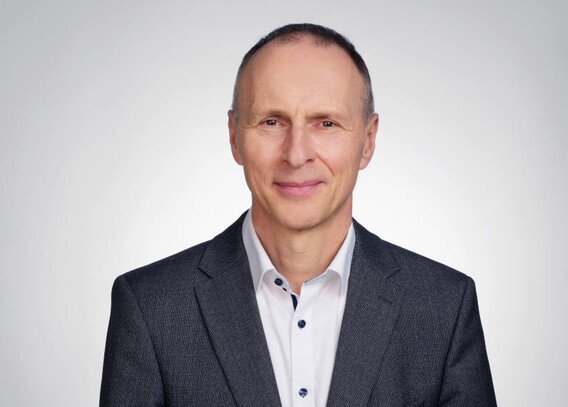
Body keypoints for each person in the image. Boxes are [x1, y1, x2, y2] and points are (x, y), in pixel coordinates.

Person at [100, 23, 496, 407]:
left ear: (367, 141)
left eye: (326, 123)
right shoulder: (151, 307)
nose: (296, 154)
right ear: (235, 136)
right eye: (272, 122)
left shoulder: (443, 307)